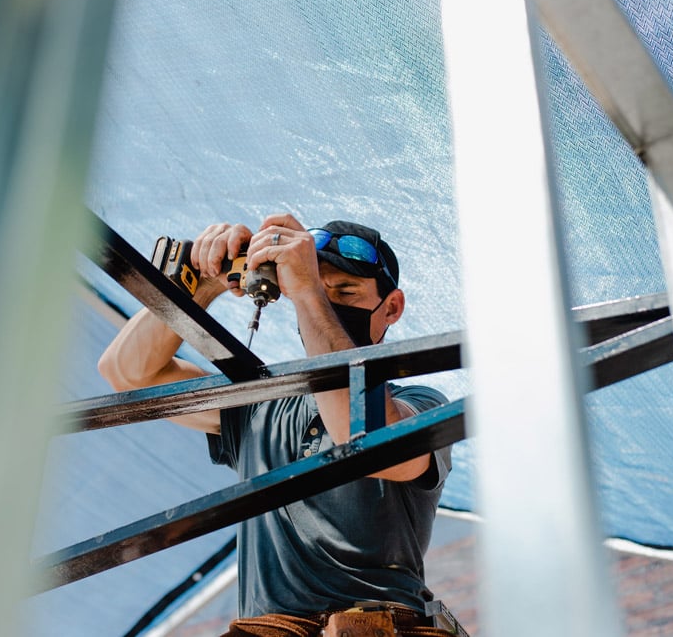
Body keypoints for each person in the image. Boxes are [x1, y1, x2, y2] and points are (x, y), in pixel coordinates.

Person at [98, 213, 454, 637]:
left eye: (345, 291)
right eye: (319, 289)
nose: (327, 301)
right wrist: (205, 279)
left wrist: (307, 291)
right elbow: (130, 375)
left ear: (391, 307)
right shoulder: (260, 406)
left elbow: (363, 434)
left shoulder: (419, 405)